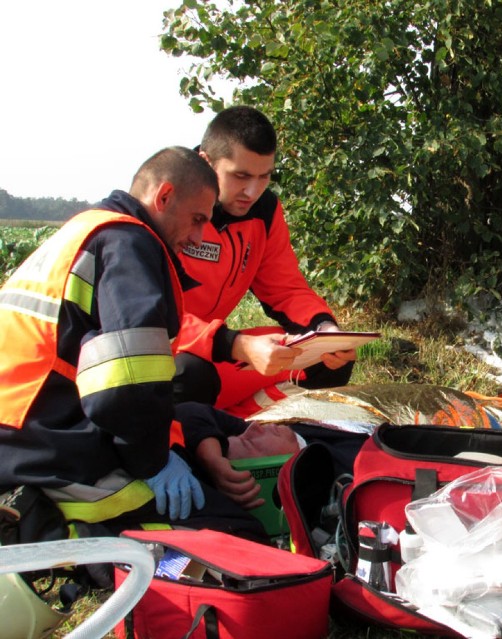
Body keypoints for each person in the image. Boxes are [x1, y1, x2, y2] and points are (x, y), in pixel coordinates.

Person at [0, 147, 267, 542]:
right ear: (163, 197)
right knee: (239, 532)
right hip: (50, 444)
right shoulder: (131, 243)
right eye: (196, 220)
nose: (197, 238)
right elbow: (127, 385)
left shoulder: (90, 228)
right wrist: (155, 463)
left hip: (24, 426)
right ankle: (60, 533)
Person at [173, 105, 356, 411]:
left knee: (329, 363)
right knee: (190, 375)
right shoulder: (169, 208)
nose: (252, 191)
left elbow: (285, 288)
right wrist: (235, 344)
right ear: (205, 163)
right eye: (240, 176)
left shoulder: (265, 212)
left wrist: (325, 330)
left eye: (264, 177)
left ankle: (242, 431)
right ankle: (199, 440)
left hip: (220, 350)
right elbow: (150, 317)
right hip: (165, 357)